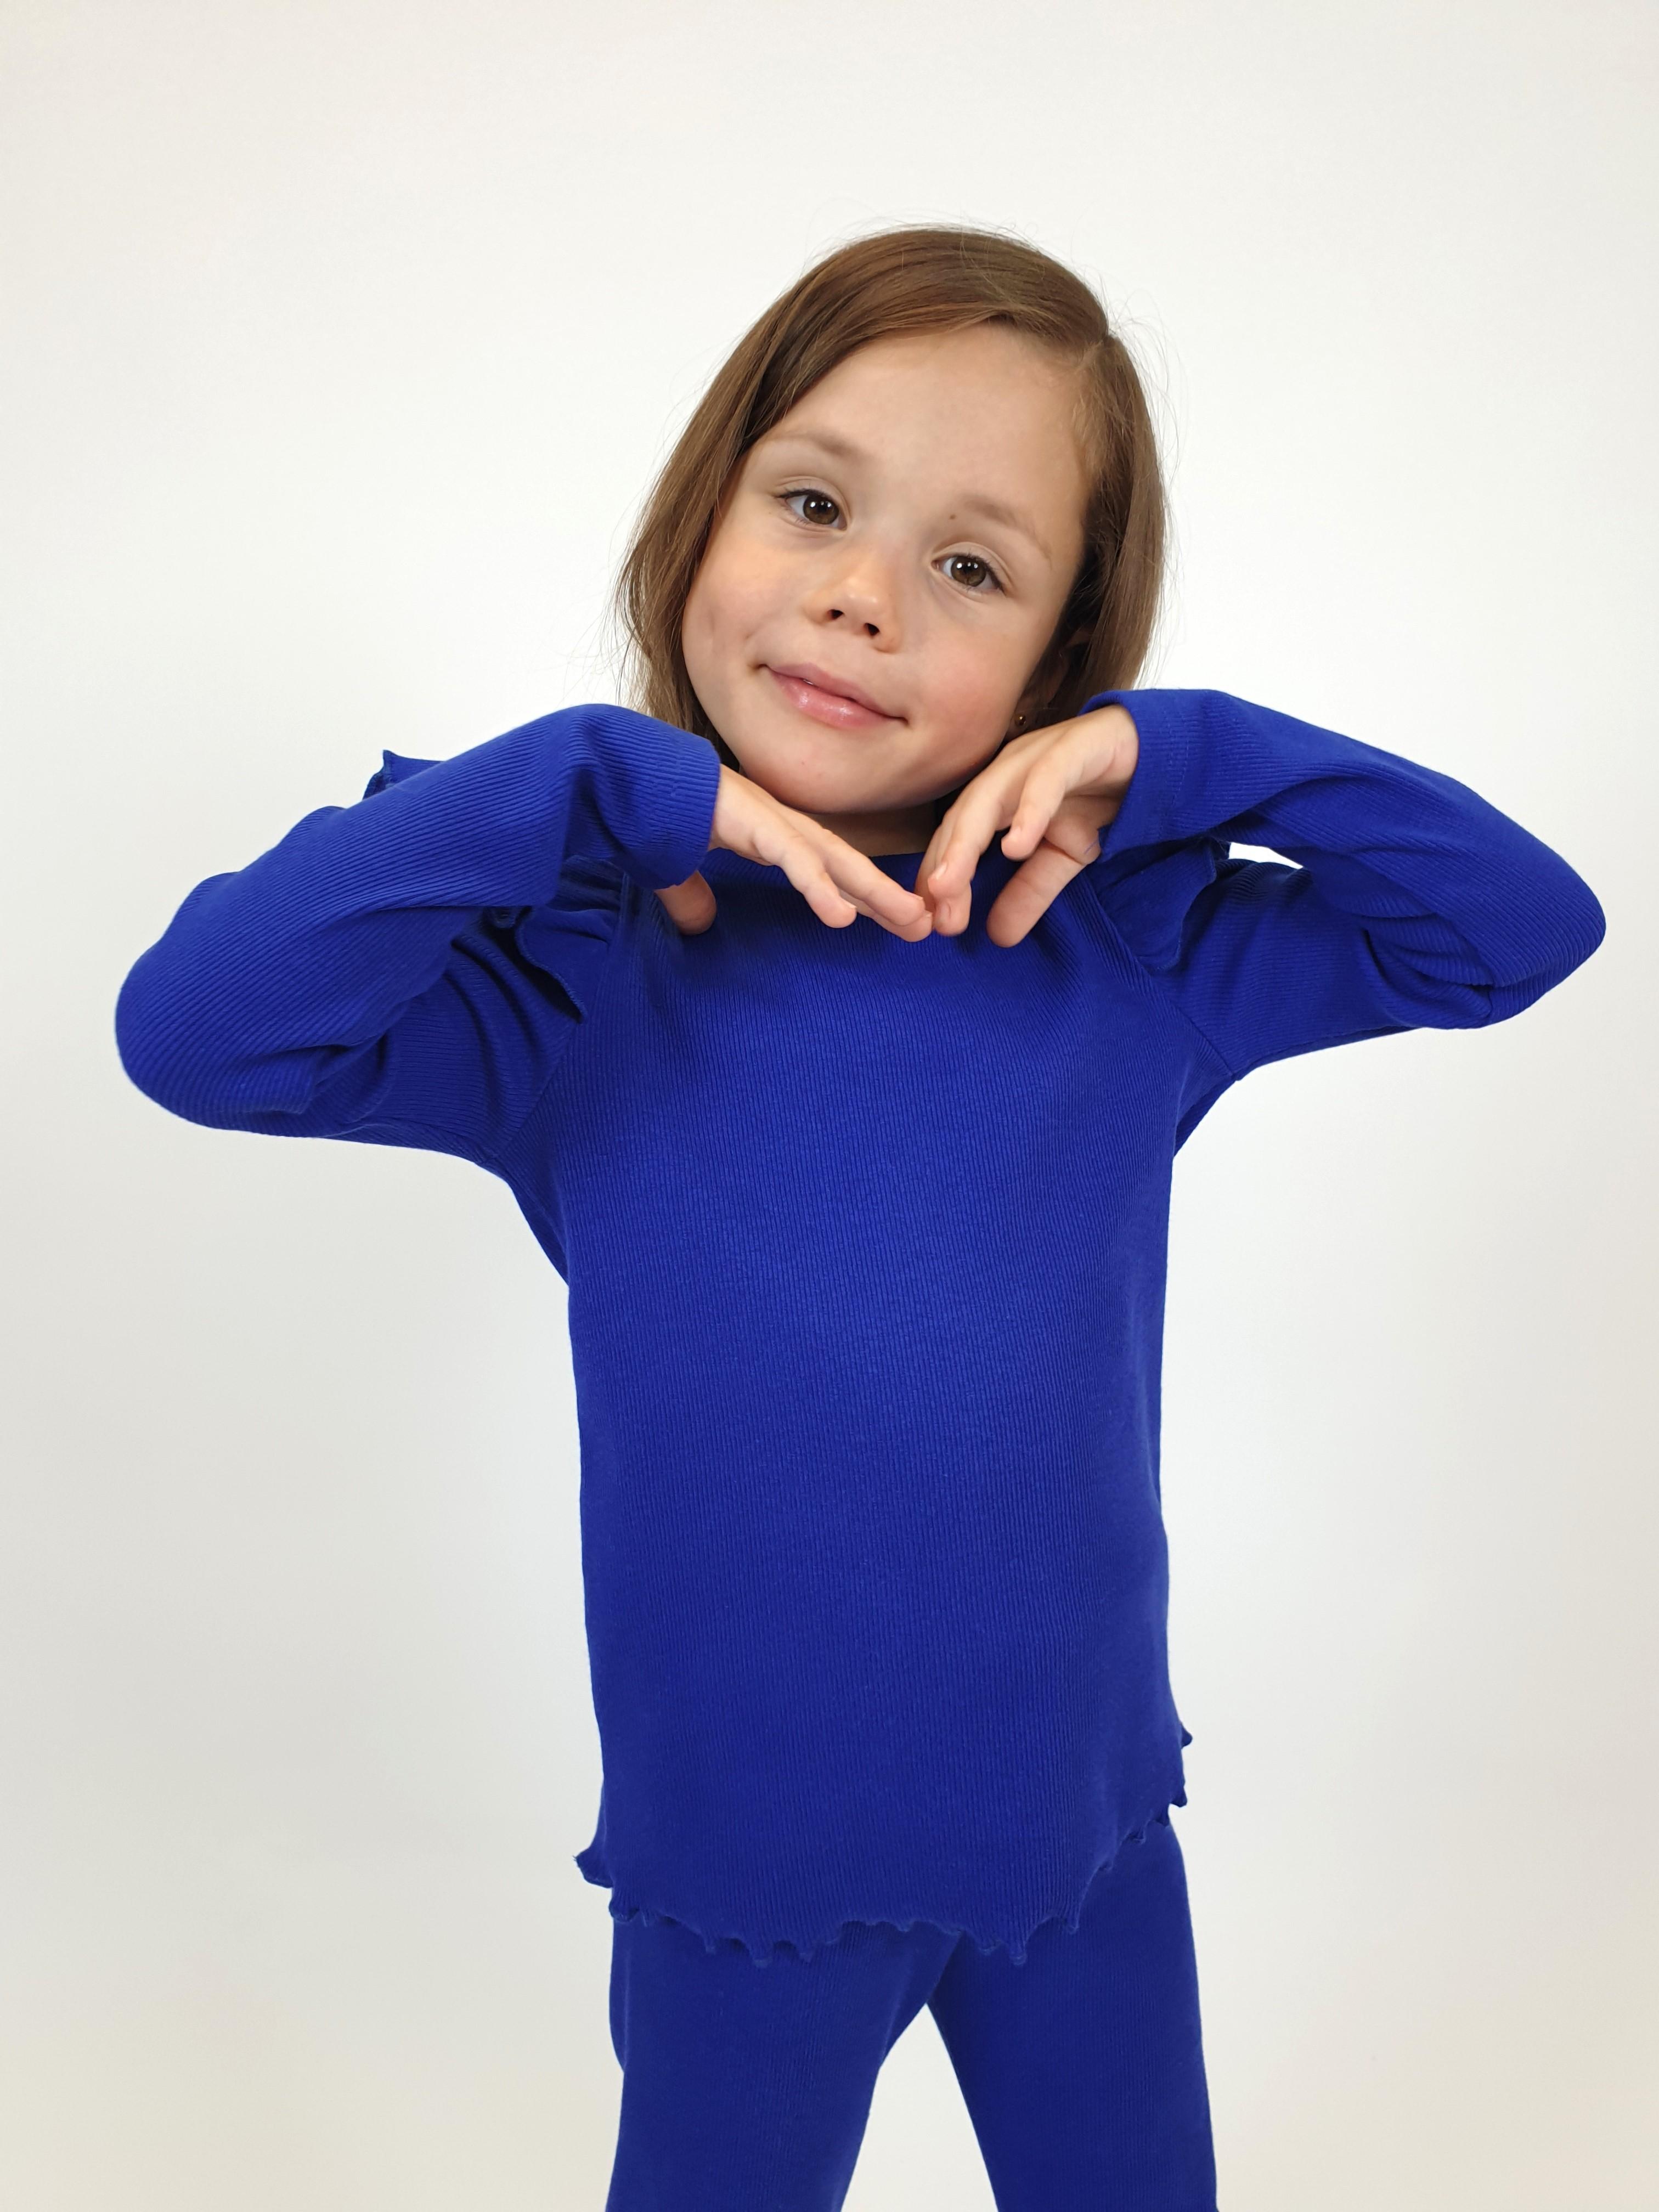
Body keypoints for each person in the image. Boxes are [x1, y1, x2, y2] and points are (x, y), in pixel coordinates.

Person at [113, 226, 1605, 2210]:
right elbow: (194, 1036)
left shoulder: (1126, 948)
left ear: (1056, 668)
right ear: (704, 511)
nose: (863, 595)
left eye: (972, 567)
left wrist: (1189, 757)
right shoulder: (575, 974)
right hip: (747, 1876)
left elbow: (1519, 930)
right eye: (814, 504)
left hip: (1085, 1837)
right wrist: (579, 782)